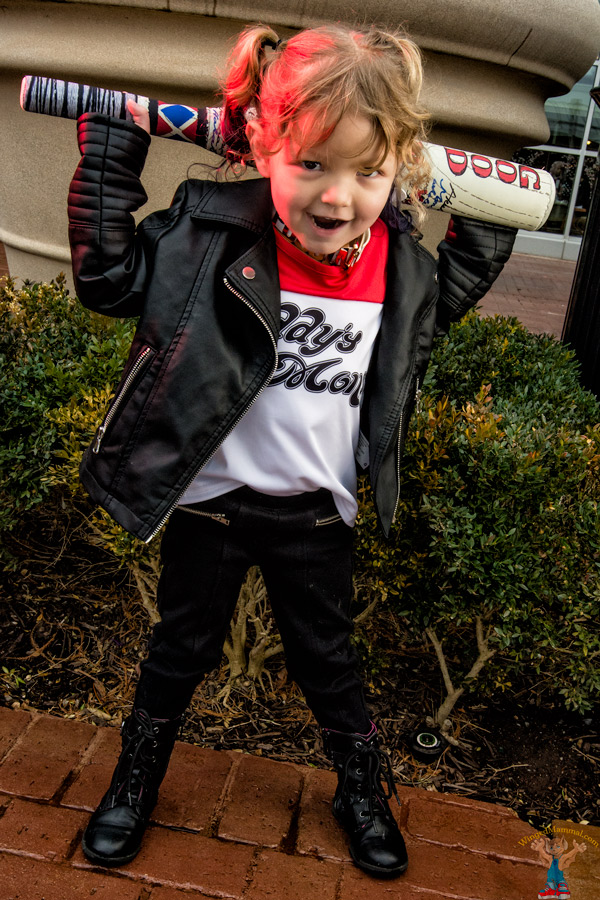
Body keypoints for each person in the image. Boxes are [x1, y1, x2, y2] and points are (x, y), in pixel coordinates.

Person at [67, 22, 516, 878]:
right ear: (264, 148)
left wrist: (493, 209)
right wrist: (113, 145)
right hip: (212, 500)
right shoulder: (210, 240)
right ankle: (136, 776)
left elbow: (453, 289)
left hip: (316, 512)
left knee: (328, 661)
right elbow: (108, 278)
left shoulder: (402, 269)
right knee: (178, 650)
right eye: (310, 163)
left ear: (399, 168)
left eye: (369, 171)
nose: (338, 196)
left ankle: (356, 787)